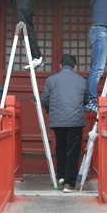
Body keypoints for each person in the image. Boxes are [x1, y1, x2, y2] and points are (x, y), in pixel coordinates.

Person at [41, 54, 88, 193]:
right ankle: (69, 184)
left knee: (61, 147)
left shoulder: (51, 80)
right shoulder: (81, 80)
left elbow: (45, 100)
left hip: (58, 121)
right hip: (75, 120)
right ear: (75, 67)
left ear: (60, 66)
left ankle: (61, 175)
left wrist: (51, 111)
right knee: (73, 151)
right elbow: (86, 100)